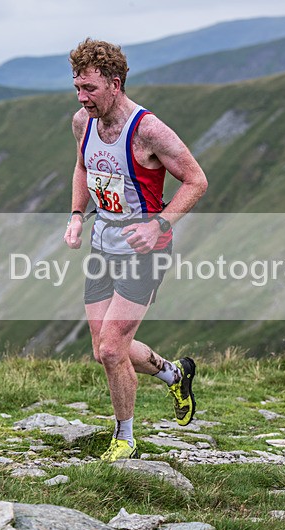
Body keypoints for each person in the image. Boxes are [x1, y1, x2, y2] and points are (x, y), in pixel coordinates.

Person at [63, 38, 208, 461]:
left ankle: (124, 439)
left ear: (115, 83)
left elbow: (196, 180)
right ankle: (175, 375)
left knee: (112, 349)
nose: (82, 97)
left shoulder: (148, 130)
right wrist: (77, 215)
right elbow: (83, 167)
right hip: (103, 244)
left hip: (146, 249)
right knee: (104, 350)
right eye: (77, 87)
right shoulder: (82, 122)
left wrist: (159, 223)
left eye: (90, 88)